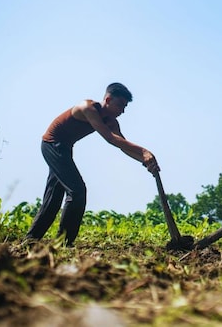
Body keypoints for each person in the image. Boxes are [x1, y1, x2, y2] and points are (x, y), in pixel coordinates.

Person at [25, 83, 160, 246]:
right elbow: (110, 138)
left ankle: (31, 240)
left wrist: (145, 161)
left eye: (125, 107)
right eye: (120, 105)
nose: (122, 111)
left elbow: (122, 145)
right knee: (77, 191)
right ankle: (63, 242)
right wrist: (144, 151)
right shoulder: (88, 108)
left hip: (65, 148)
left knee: (54, 197)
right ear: (108, 100)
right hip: (52, 145)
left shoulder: (111, 122)